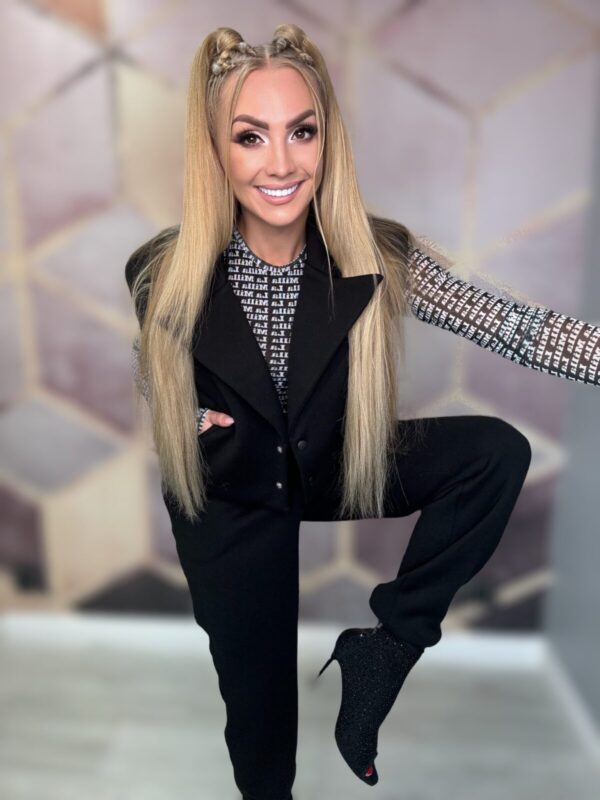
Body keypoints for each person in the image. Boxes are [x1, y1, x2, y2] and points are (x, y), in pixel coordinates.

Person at [124, 23, 600, 800]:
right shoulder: (160, 270)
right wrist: (190, 419)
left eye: (302, 131)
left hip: (327, 461)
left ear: (328, 140)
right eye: (250, 136)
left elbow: (519, 328)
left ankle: (385, 650)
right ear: (215, 150)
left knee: (495, 452)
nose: (282, 163)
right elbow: (155, 370)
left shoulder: (374, 253)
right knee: (260, 724)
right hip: (232, 493)